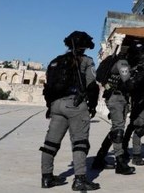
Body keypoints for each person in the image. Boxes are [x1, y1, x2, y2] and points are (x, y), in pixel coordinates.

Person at [40, 31, 100, 190]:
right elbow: (92, 85)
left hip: (56, 105)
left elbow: (49, 87)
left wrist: (49, 107)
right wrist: (92, 105)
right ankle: (80, 179)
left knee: (50, 143)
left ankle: (46, 178)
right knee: (80, 142)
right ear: (85, 46)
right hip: (75, 104)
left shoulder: (56, 61)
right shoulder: (86, 61)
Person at [91, 49, 136, 175]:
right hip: (116, 98)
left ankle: (99, 158)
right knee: (118, 131)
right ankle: (120, 162)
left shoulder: (115, 62)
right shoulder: (122, 63)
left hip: (119, 98)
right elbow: (128, 82)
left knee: (116, 129)